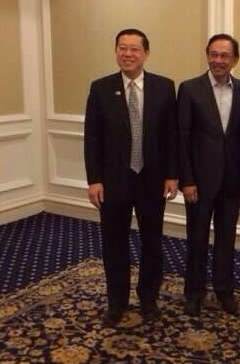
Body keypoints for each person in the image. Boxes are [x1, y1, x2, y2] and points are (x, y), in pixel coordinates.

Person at [84, 28, 178, 327]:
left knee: (152, 242)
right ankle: (117, 302)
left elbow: (172, 136)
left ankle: (148, 299)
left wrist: (173, 175)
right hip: (113, 182)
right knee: (114, 243)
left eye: (134, 49)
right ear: (115, 52)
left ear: (146, 53)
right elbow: (92, 139)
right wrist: (94, 179)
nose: (127, 54)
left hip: (152, 180)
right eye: (122, 48)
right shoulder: (100, 89)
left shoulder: (164, 87)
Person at [177, 34, 240, 316]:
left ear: (235, 60)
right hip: (198, 182)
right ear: (207, 55)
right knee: (196, 239)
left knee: (227, 238)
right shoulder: (189, 89)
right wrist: (187, 180)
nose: (218, 60)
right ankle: (194, 293)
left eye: (224, 55)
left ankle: (224, 291)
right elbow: (182, 138)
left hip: (232, 181)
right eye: (213, 54)